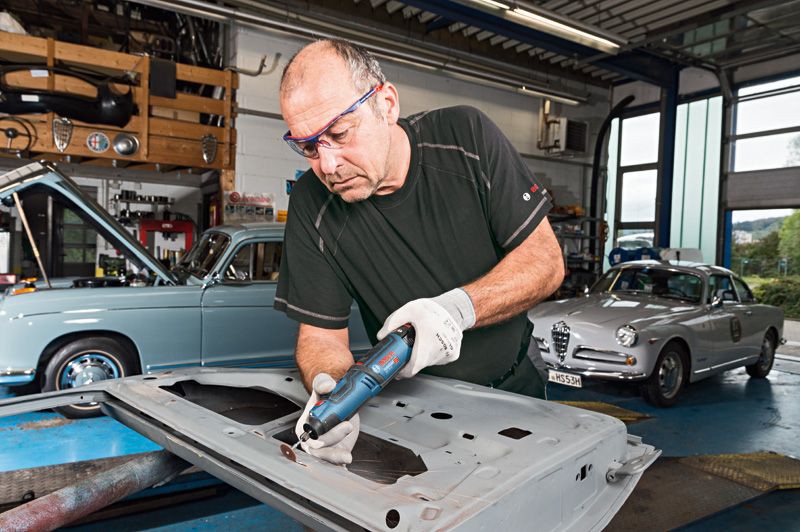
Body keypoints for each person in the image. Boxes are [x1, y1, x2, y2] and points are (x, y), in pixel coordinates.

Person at [275, 39, 564, 465]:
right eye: (309, 147)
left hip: (516, 382)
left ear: (386, 104)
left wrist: (455, 311)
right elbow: (320, 336)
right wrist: (332, 394)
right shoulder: (310, 203)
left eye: (338, 134)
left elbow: (545, 262)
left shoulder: (466, 138)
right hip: (415, 408)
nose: (328, 165)